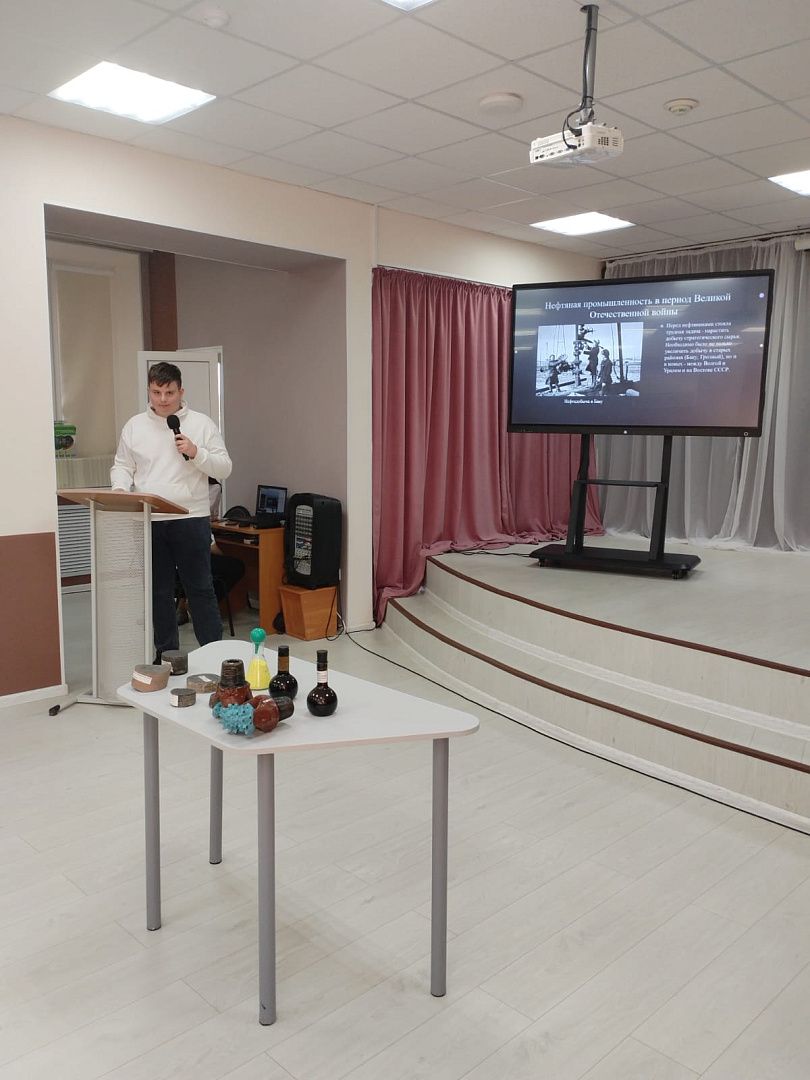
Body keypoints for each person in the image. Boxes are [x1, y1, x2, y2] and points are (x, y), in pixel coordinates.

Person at [111, 361, 232, 659]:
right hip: (150, 519)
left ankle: (213, 654)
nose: (163, 399)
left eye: (169, 392)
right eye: (156, 392)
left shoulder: (201, 424)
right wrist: (119, 490)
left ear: (181, 391)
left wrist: (196, 452)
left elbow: (224, 468)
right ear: (149, 391)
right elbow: (123, 466)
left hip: (190, 519)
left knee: (199, 589)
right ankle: (167, 655)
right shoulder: (134, 426)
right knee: (158, 592)